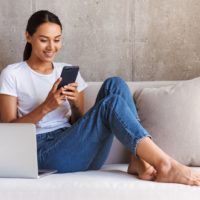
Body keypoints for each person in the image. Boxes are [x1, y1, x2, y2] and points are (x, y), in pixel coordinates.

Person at [0, 10, 200, 186]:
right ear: (28, 36)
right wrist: (46, 106)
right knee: (110, 105)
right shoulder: (13, 73)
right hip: (43, 153)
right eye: (44, 39)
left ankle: (138, 159)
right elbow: (9, 130)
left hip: (76, 147)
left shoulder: (66, 70)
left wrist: (74, 105)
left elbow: (79, 123)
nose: (51, 46)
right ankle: (164, 164)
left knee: (116, 84)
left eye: (57, 39)